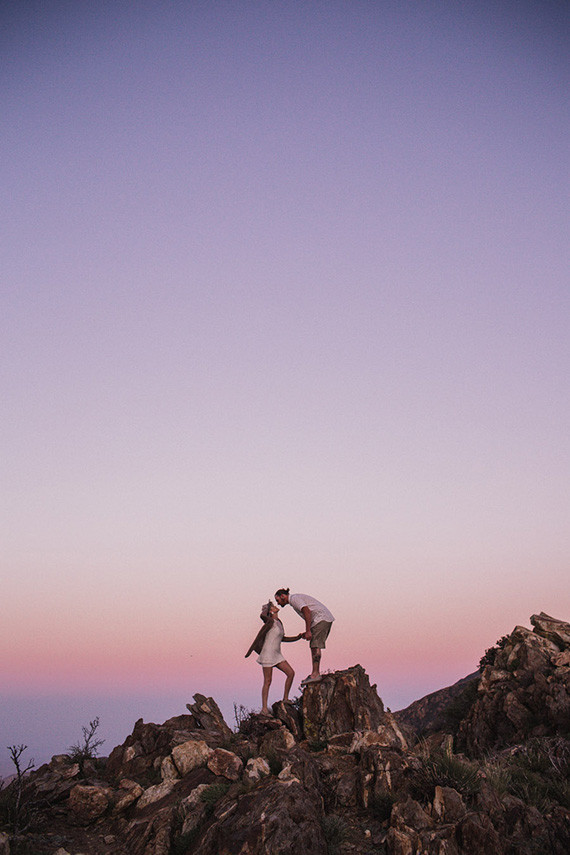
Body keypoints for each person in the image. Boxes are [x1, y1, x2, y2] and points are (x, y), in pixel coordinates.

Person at [245, 601, 303, 715]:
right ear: (271, 611)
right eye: (273, 606)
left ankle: (285, 698)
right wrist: (266, 610)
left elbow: (283, 638)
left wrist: (297, 637)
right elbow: (262, 616)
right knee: (268, 681)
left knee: (290, 673)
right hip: (268, 654)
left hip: (277, 654)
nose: (276, 606)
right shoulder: (270, 621)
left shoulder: (279, 622)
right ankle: (264, 709)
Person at [274, 588, 334, 685]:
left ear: (283, 596)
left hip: (320, 619)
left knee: (315, 646)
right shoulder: (295, 599)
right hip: (322, 619)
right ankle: (315, 673)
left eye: (278, 600)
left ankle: (315, 674)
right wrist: (307, 631)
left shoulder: (294, 599)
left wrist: (308, 631)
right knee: (315, 645)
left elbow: (307, 611)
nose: (278, 603)